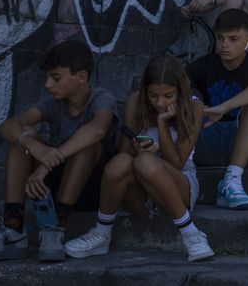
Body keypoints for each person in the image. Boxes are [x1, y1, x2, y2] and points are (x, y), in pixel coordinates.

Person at [0, 40, 118, 262]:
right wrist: (35, 147)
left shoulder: (101, 97)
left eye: (56, 78)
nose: (48, 84)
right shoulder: (53, 103)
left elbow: (97, 130)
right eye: (48, 77)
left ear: (81, 77)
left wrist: (45, 165)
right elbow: (7, 126)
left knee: (87, 146)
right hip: (54, 183)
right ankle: (14, 229)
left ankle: (55, 230)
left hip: (91, 189)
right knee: (22, 137)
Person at [62, 55, 214, 262]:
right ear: (145, 90)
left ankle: (191, 234)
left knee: (145, 162)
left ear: (179, 91)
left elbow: (177, 164)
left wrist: (162, 124)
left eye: (168, 96)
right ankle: (101, 233)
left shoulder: (193, 106)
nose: (160, 102)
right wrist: (138, 149)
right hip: (140, 188)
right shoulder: (136, 101)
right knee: (120, 163)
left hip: (180, 183)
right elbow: (124, 155)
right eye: (153, 95)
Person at [184, 9, 248, 208]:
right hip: (208, 139)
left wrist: (224, 107)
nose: (225, 45)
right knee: (188, 98)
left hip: (246, 144)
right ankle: (185, 171)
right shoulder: (204, 64)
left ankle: (232, 180)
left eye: (233, 39)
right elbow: (176, 85)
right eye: (220, 38)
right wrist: (195, 101)